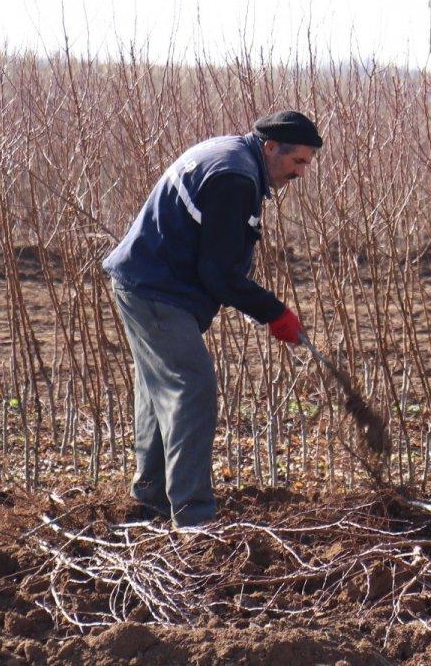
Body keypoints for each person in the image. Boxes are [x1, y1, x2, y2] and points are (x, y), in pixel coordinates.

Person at [103, 110, 322, 527]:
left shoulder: (231, 156)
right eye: (299, 162)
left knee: (158, 388)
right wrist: (274, 313)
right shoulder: (234, 177)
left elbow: (219, 255)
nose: (301, 173)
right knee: (192, 387)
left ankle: (151, 499)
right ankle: (194, 518)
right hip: (157, 290)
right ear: (271, 147)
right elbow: (218, 273)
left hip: (146, 282)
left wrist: (259, 305)